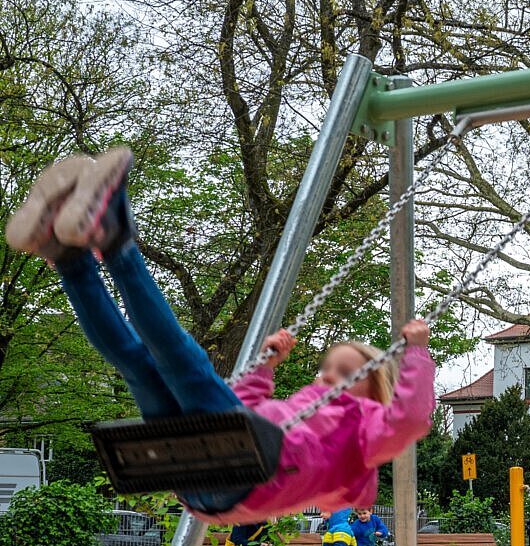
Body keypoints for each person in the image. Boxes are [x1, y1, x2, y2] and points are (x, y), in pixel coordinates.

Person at [5, 147, 435, 521]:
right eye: (327, 367)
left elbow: (411, 419)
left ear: (377, 387)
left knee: (184, 361)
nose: (327, 376)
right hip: (204, 470)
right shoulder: (300, 405)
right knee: (138, 364)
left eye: (347, 372)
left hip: (244, 474)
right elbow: (243, 405)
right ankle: (67, 258)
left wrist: (416, 353)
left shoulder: (367, 431)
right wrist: (267, 367)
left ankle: (114, 236)